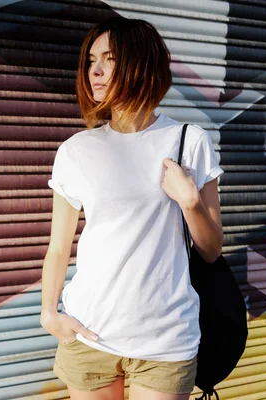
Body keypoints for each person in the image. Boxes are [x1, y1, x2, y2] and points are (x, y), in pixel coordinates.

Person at [40, 16, 224, 400]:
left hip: (165, 341)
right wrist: (49, 314)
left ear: (141, 64)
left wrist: (190, 201)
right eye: (91, 60)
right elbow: (58, 248)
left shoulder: (188, 142)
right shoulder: (77, 150)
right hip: (90, 334)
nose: (96, 70)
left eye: (109, 58)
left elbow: (211, 249)